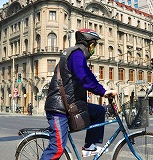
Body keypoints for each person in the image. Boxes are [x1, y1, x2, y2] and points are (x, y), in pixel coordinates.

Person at [41, 28, 118, 159]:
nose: (94, 48)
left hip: (71, 104)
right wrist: (103, 92)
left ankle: (89, 146)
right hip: (59, 108)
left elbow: (89, 76)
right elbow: (84, 77)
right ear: (88, 43)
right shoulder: (76, 54)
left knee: (99, 111)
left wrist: (103, 90)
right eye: (94, 44)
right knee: (57, 148)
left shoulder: (79, 56)